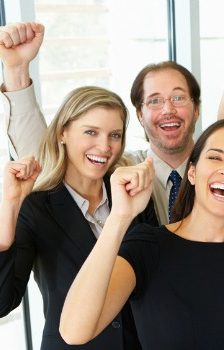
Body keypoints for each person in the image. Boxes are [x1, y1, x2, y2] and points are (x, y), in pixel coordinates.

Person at [0, 9, 224, 225]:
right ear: (140, 115)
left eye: (178, 98)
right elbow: (46, 160)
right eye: (154, 101)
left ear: (196, 108)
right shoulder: (121, 170)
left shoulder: (213, 168)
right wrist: (16, 71)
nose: (168, 109)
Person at [59, 119, 224, 349]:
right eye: (215, 157)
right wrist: (119, 217)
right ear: (192, 172)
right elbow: (74, 331)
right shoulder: (148, 247)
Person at [0, 86, 157, 349]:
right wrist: (9, 208)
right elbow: (3, 303)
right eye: (91, 132)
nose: (105, 146)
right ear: (63, 132)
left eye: (114, 135)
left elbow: (154, 283)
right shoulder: (37, 207)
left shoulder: (133, 196)